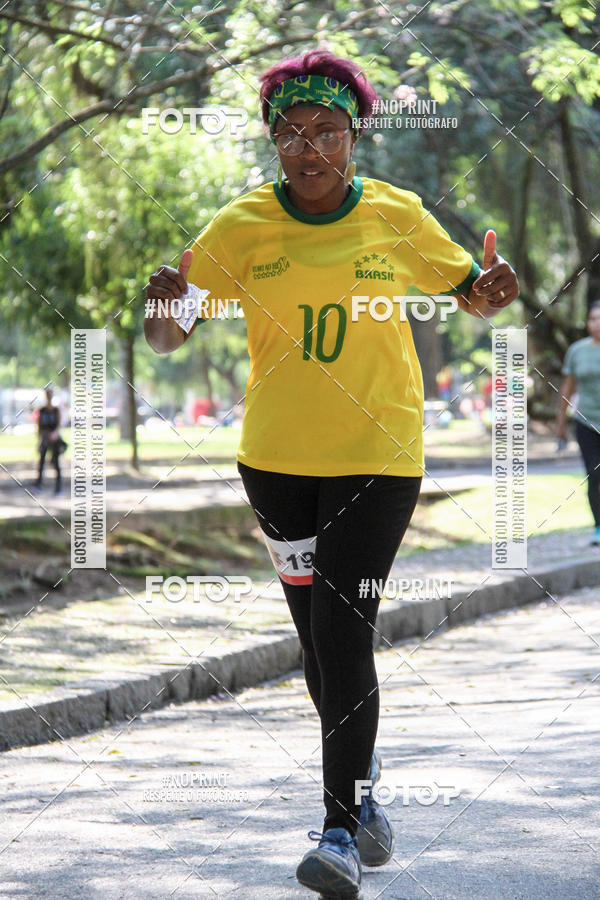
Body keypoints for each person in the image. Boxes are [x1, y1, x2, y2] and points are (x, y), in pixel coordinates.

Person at [144, 49, 519, 899]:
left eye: (326, 131)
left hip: (378, 457)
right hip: (274, 464)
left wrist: (492, 289)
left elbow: (472, 292)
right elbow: (169, 337)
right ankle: (363, 777)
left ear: (355, 136)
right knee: (316, 643)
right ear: (273, 140)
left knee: (344, 631)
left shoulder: (397, 213)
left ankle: (341, 830)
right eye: (290, 133)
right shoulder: (241, 224)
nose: (308, 149)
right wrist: (162, 307)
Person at [556, 301, 600, 546]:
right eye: (592, 318)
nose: (597, 323)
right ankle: (598, 526)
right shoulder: (577, 350)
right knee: (594, 473)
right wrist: (560, 422)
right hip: (586, 421)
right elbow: (568, 387)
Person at [34, 387, 63, 495]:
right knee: (41, 462)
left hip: (54, 439)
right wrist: (39, 440)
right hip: (45, 438)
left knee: (56, 462)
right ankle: (38, 486)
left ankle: (58, 488)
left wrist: (55, 433)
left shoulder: (56, 410)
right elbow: (39, 426)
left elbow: (59, 424)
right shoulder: (42, 410)